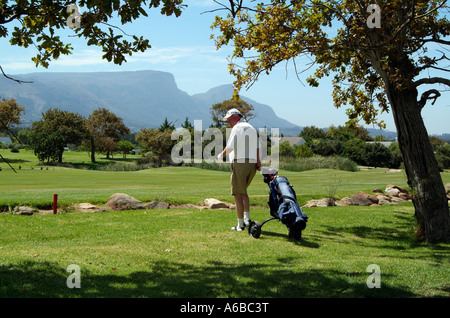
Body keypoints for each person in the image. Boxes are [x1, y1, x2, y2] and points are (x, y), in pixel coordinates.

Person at [217, 108, 261, 231]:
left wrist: (220, 156)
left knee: (237, 194)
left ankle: (240, 225)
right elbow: (258, 147)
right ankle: (247, 220)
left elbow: (230, 147)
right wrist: (258, 163)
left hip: (240, 162)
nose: (229, 122)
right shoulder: (251, 128)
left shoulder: (237, 128)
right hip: (251, 163)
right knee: (243, 192)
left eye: (230, 119)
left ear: (237, 116)